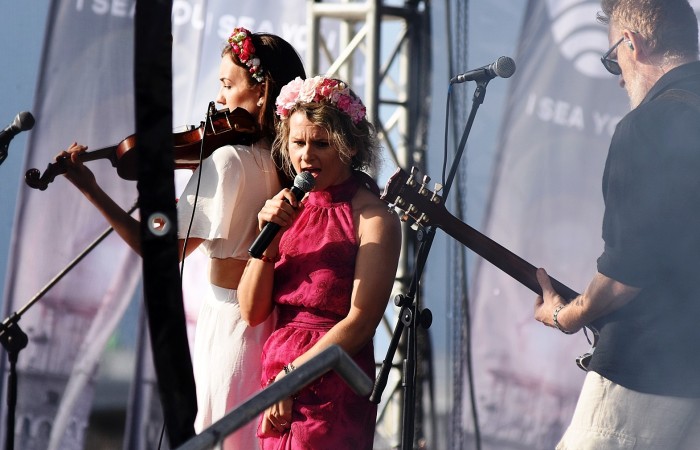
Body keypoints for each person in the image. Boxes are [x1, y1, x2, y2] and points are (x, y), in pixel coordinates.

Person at [57, 28, 305, 449]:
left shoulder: (226, 160)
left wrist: (91, 189)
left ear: (262, 92)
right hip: (269, 326)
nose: (219, 99)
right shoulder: (287, 162)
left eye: (228, 85)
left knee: (218, 434)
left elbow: (157, 246)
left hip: (230, 325)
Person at [533, 0, 700, 448]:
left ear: (632, 43)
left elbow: (627, 274)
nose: (620, 76)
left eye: (613, 60)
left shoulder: (647, 126)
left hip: (648, 367)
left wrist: (567, 315)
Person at [237, 75, 401, 449]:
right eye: (298, 143)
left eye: (321, 144)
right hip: (277, 379)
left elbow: (361, 323)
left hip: (331, 383)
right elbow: (251, 311)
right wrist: (268, 240)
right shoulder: (288, 207)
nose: (306, 156)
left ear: (350, 146)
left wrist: (292, 377)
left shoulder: (374, 219)